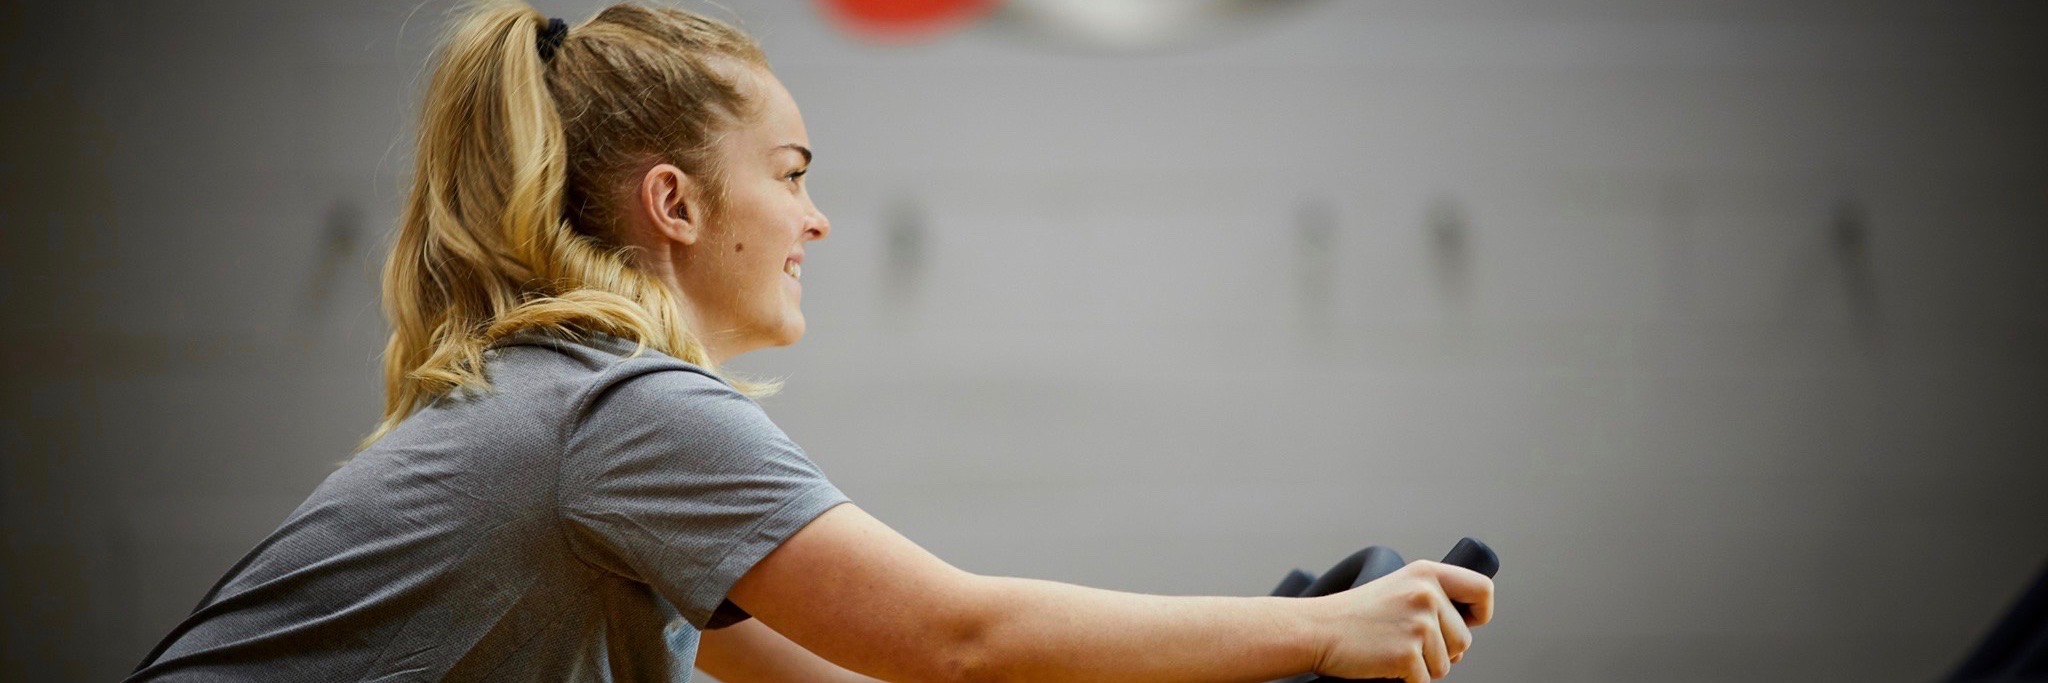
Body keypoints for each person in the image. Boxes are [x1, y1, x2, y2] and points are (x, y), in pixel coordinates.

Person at [126, 2, 1496, 681]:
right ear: (675, 203)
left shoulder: (580, 423)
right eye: (789, 174)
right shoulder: (622, 414)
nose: (819, 219)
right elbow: (956, 639)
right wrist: (1314, 633)